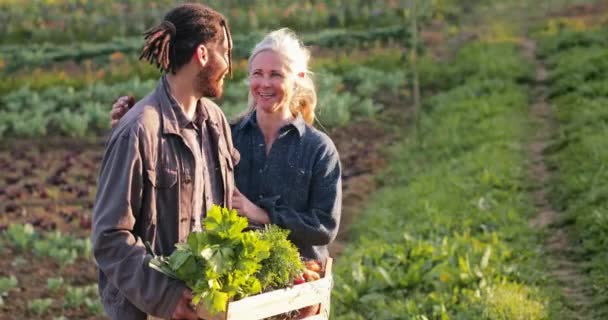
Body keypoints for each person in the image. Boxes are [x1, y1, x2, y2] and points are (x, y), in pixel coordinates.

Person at [111, 29, 341, 260]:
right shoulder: (227, 134)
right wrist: (136, 125)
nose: (264, 83)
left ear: (298, 78)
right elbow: (181, 159)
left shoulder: (318, 149)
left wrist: (264, 215)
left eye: (276, 75)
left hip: (301, 280)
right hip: (236, 275)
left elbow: (324, 227)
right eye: (257, 73)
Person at [92, 3, 238, 320]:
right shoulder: (138, 130)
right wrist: (166, 296)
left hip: (205, 306)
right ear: (202, 54)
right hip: (151, 311)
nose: (228, 64)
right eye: (225, 52)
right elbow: (109, 237)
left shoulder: (215, 122)